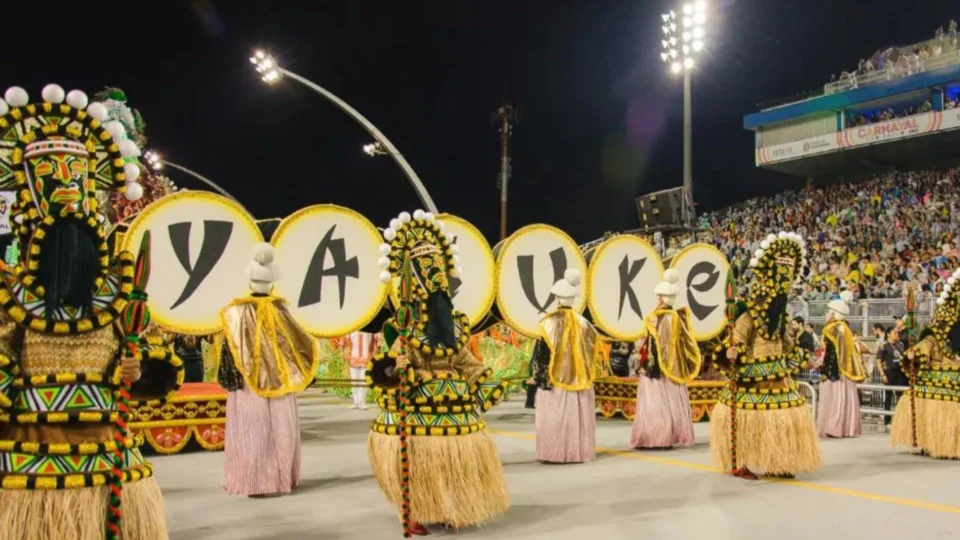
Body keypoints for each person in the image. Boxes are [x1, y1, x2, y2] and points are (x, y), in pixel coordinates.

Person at [0, 85, 182, 540]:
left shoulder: (120, 290)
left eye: (73, 176)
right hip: (30, 465)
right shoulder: (10, 293)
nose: (64, 188)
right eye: (50, 175)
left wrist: (136, 367)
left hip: (109, 459)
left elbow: (154, 364)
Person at [366, 210, 508, 536]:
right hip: (413, 408)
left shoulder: (453, 324)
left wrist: (483, 380)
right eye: (427, 272)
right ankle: (412, 510)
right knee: (415, 466)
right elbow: (381, 367)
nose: (436, 280)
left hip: (453, 408)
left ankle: (443, 506)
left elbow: (463, 361)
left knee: (452, 465)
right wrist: (395, 368)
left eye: (438, 271)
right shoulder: (398, 327)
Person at [710, 232, 822, 480]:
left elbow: (787, 344)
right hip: (752, 379)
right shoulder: (748, 315)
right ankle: (742, 462)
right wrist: (732, 350)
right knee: (751, 422)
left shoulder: (781, 318)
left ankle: (777, 462)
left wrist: (799, 353)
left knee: (781, 421)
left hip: (778, 377)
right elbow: (737, 338)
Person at [218, 243, 320, 497]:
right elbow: (300, 343)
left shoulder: (236, 311)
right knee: (281, 429)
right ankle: (283, 478)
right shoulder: (282, 309)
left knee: (252, 431)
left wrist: (230, 378)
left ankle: (252, 482)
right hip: (282, 383)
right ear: (272, 282)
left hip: (247, 384)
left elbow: (229, 348)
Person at [530, 269, 599, 463]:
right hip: (581, 380)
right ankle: (578, 451)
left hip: (556, 380)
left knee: (556, 417)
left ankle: (555, 452)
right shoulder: (585, 324)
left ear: (558, 298)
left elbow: (542, 354)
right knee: (577, 419)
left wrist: (540, 377)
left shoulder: (548, 323)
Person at [891, 271, 960, 458]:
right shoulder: (932, 337)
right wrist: (914, 355)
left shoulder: (944, 339)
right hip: (937, 382)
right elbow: (922, 349)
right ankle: (935, 444)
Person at [630, 269, 701, 450]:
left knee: (655, 404)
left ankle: (657, 438)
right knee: (672, 402)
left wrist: (648, 367)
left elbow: (654, 345)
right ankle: (670, 436)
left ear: (660, 297)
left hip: (658, 370)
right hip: (674, 370)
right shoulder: (678, 317)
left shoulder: (656, 319)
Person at [817, 291, 867, 438]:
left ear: (833, 313)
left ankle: (833, 427)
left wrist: (826, 372)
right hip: (847, 373)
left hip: (835, 374)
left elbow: (831, 353)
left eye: (829, 311)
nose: (827, 314)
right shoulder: (845, 328)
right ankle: (847, 428)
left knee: (833, 401)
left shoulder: (830, 329)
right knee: (847, 399)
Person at [876, 327, 907, 426]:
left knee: (901, 396)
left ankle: (899, 417)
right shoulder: (884, 345)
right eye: (895, 333)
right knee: (889, 396)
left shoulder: (901, 344)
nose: (897, 334)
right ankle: (887, 420)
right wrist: (882, 374)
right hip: (889, 372)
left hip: (901, 372)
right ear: (888, 334)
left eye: (898, 333)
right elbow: (879, 361)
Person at [346, 331, 377, 409]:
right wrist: (347, 356)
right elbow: (346, 344)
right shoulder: (351, 330)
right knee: (354, 381)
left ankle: (362, 402)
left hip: (366, 360)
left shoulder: (370, 331)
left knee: (363, 381)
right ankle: (356, 402)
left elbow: (375, 342)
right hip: (353, 359)